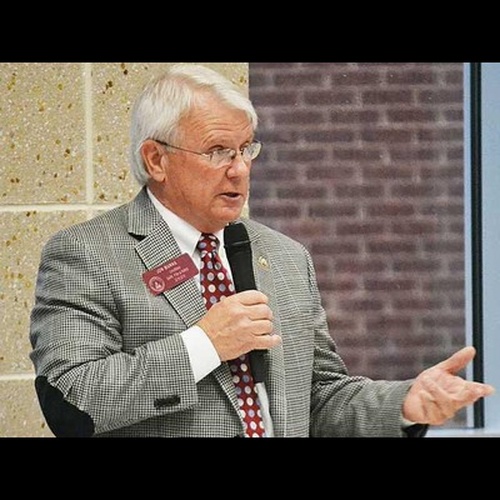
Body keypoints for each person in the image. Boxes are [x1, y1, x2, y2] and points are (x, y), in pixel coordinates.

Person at [29, 63, 494, 438]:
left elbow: (318, 398)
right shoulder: (87, 254)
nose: (238, 170)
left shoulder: (285, 256)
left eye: (246, 149)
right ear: (156, 159)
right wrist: (204, 344)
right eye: (217, 151)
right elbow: (73, 400)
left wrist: (405, 404)